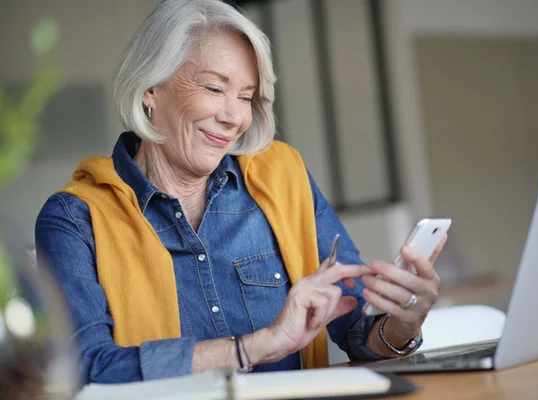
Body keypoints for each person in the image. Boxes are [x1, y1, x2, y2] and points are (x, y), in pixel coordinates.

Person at [35, 0, 446, 384]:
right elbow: (85, 369)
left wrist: (403, 323)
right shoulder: (75, 218)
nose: (233, 117)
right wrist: (252, 348)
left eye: (246, 97)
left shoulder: (285, 179)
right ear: (150, 89)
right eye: (214, 88)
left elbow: (357, 331)